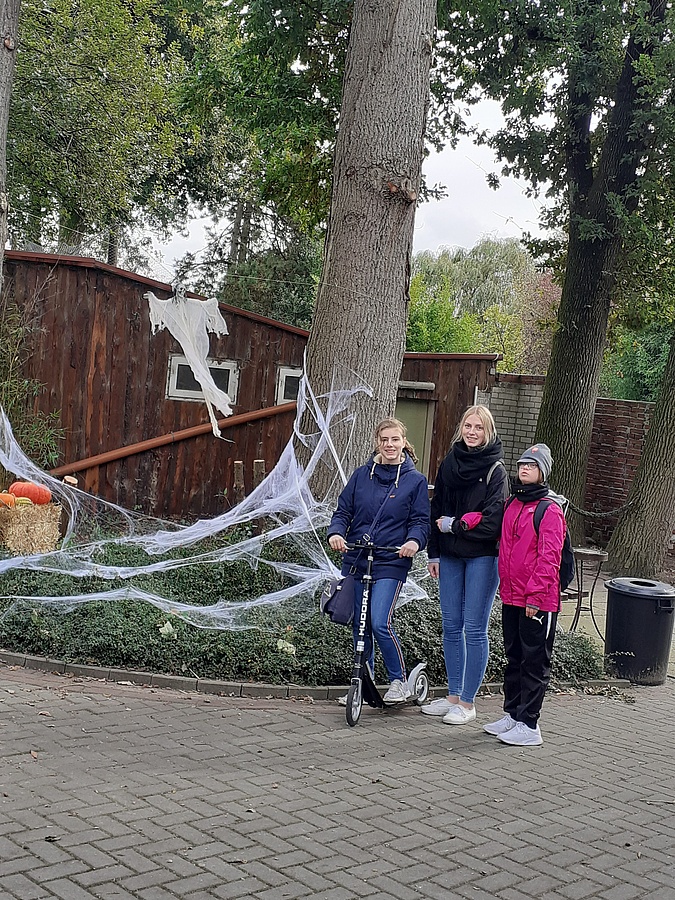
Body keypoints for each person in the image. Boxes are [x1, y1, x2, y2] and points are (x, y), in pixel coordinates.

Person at [327, 417, 430, 704]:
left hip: (391, 560)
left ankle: (399, 681)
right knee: (360, 625)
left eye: (395, 439)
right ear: (377, 442)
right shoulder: (362, 475)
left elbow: (421, 521)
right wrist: (336, 533)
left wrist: (413, 542)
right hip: (358, 557)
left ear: (404, 443)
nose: (389, 445)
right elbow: (343, 512)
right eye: (384, 440)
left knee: (380, 621)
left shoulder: (415, 481)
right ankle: (363, 681)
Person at [421, 405, 507, 724]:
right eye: (468, 426)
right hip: (449, 556)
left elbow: (493, 523)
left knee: (474, 628)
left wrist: (454, 526)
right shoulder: (450, 463)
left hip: (483, 557)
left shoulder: (496, 471)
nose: (472, 432)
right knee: (451, 625)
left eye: (479, 427)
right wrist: (433, 552)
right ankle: (453, 696)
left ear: (488, 431)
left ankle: (468, 703)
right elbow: (436, 511)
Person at [484, 443, 565, 747]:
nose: (525, 469)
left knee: (534, 661)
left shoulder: (549, 509)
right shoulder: (513, 504)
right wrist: (464, 522)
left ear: (543, 471)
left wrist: (534, 596)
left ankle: (529, 724)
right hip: (511, 596)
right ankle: (512, 714)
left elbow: (549, 558)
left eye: (531, 465)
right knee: (514, 657)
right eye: (521, 465)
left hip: (537, 601)